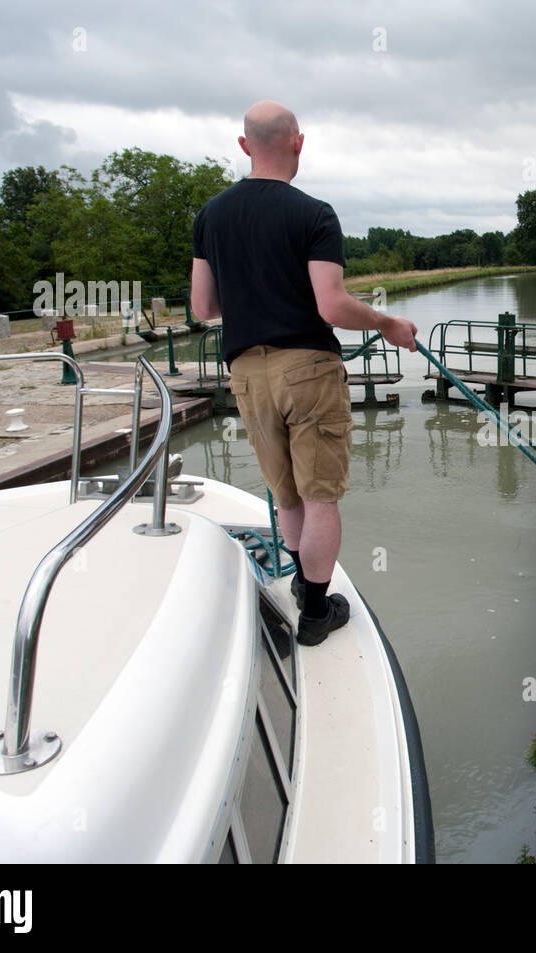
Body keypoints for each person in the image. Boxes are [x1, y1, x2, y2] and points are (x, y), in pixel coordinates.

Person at [191, 100, 418, 646]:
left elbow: (202, 309)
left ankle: (300, 585)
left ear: (245, 146)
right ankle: (317, 613)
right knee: (320, 496)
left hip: (245, 371)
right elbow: (333, 307)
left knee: (286, 493)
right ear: (299, 142)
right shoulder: (313, 214)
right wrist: (388, 324)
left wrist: (252, 297)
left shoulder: (211, 216)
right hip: (308, 369)